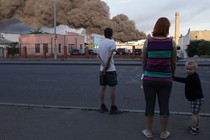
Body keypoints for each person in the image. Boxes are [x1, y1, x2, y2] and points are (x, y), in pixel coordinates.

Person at [141, 17, 177, 139]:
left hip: (149, 79)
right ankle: (163, 132)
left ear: (156, 27)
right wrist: (171, 74)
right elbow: (174, 62)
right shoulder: (171, 43)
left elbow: (144, 61)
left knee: (149, 105)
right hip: (166, 79)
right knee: (164, 105)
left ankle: (149, 132)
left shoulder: (148, 42)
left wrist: (144, 73)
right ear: (167, 28)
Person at [173, 60, 204, 135]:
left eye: (190, 69)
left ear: (195, 69)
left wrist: (174, 78)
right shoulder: (194, 76)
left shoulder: (192, 78)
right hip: (198, 98)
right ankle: (196, 126)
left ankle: (194, 129)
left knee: (194, 114)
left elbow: (184, 80)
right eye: (187, 69)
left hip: (196, 99)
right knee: (196, 113)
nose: (188, 71)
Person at [97, 27, 122, 115]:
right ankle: (113, 108)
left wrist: (103, 66)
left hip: (102, 69)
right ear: (111, 34)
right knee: (112, 88)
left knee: (102, 88)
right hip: (110, 70)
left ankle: (102, 106)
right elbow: (109, 56)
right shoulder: (112, 43)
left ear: (104, 34)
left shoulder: (101, 44)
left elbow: (97, 57)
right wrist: (106, 67)